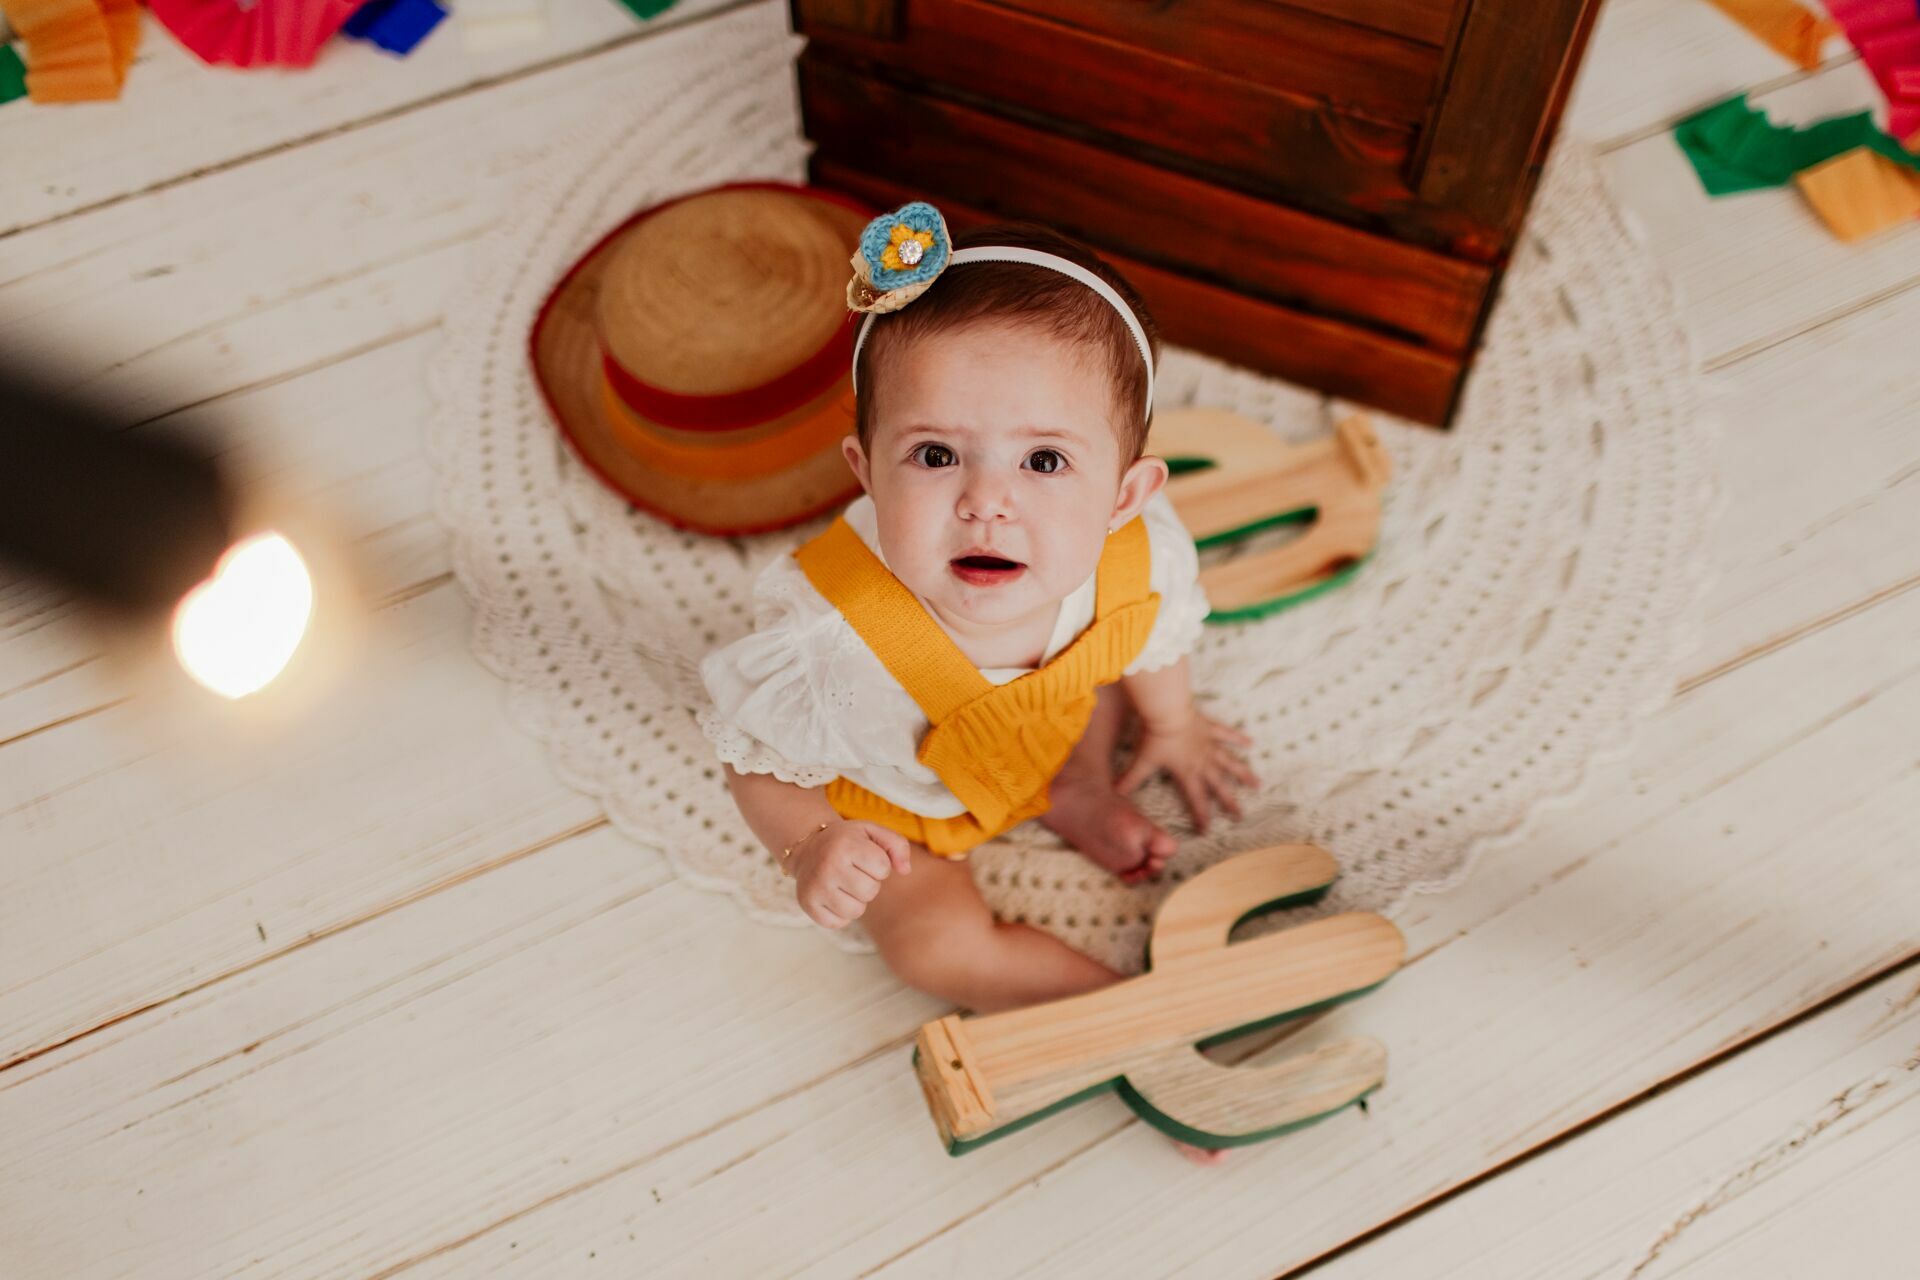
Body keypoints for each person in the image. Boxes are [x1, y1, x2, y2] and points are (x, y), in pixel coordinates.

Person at [699, 207, 1255, 1164]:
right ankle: (1118, 1018)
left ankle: (1076, 788)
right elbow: (754, 762)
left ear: (1125, 495)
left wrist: (1174, 723)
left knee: (1106, 673)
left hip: (1047, 729)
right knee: (929, 948)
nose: (986, 500)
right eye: (934, 454)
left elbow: (1151, 642)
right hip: (904, 811)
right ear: (865, 471)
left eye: (1045, 460)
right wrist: (812, 849)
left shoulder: (1135, 557)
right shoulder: (829, 640)